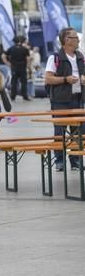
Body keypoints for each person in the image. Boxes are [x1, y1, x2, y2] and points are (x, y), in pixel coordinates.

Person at [45, 27, 84, 172]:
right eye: (75, 38)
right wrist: (65, 79)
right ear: (67, 40)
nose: (78, 40)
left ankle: (75, 161)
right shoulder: (55, 58)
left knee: (78, 131)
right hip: (60, 100)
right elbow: (48, 79)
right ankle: (59, 160)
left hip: (78, 99)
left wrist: (82, 79)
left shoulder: (80, 57)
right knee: (60, 130)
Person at [6, 36, 30, 101]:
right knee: (24, 83)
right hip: (22, 68)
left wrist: (7, 63)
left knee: (14, 82)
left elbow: (3, 55)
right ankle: (25, 96)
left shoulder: (11, 49)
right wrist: (27, 66)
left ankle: (13, 97)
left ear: (14, 42)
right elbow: (27, 58)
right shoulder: (25, 49)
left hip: (14, 68)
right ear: (19, 41)